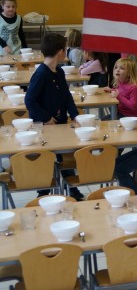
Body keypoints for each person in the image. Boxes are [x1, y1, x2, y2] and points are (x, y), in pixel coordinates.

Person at [25, 33, 83, 200]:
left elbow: (66, 95)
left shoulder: (58, 72)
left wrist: (74, 115)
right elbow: (30, 100)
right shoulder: (41, 74)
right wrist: (46, 118)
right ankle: (43, 194)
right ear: (60, 52)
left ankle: (73, 191)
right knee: (49, 159)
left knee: (63, 157)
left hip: (61, 123)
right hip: (46, 127)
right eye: (65, 49)